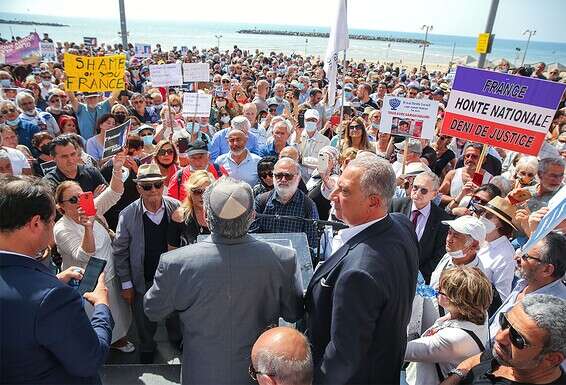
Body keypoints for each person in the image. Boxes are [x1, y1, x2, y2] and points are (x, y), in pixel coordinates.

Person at [144, 177, 303, 385]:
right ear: (252, 215)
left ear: (208, 218)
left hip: (201, 374)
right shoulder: (284, 259)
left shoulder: (174, 263)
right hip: (257, 374)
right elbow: (294, 312)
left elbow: (153, 309)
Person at [305, 154, 419, 384]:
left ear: (374, 202)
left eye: (345, 191)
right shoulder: (402, 224)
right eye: (337, 186)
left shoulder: (358, 274)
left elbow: (343, 357)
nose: (333, 196)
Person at [0, 175, 113, 384]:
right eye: (52, 220)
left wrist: (55, 279)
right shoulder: (53, 297)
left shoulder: (48, 289)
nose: (54, 227)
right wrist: (101, 307)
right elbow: (90, 359)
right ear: (35, 223)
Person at [53, 152, 134, 353]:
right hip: (87, 284)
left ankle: (119, 340)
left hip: (110, 274)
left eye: (83, 196)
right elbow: (83, 255)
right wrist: (87, 227)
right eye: (73, 199)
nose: (80, 202)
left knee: (119, 315)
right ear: (61, 206)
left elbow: (115, 193)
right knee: (93, 322)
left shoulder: (92, 209)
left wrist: (116, 168)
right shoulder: (62, 228)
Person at [113, 163, 181, 363]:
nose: (153, 190)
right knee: (143, 317)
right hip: (142, 275)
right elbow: (120, 251)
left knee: (175, 313)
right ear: (138, 188)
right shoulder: (127, 214)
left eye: (158, 185)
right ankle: (147, 345)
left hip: (171, 276)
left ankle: (177, 340)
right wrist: (126, 283)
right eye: (147, 186)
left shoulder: (176, 207)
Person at [442, 295, 566, 385]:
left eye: (518, 338)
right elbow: (478, 359)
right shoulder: (507, 355)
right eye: (505, 322)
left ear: (552, 358)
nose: (500, 337)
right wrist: (456, 376)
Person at [405, 266, 493, 385]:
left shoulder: (452, 339)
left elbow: (401, 351)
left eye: (441, 290)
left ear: (457, 301)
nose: (436, 289)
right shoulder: (480, 313)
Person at [487, 232, 566, 345]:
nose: (516, 258)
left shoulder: (555, 312)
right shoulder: (525, 282)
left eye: (525, 256)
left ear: (547, 270)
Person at [390, 170, 452, 283]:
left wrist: (416, 277)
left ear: (434, 194)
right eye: (415, 187)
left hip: (418, 281)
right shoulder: (395, 206)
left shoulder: (443, 220)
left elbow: (438, 255)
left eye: (423, 190)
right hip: (390, 270)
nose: (417, 193)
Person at [253, 157, 319, 256]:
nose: (283, 180)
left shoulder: (308, 205)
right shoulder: (261, 201)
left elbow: (312, 244)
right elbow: (253, 236)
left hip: (293, 262)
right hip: (265, 259)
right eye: (278, 175)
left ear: (298, 178)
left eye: (288, 176)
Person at [475, 197, 517, 309]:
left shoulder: (506, 256)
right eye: (482, 212)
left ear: (500, 224)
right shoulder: (479, 239)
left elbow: (502, 298)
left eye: (488, 215)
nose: (482, 217)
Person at [43, 134, 107, 193]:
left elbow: (109, 198)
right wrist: (92, 200)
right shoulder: (49, 183)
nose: (70, 160)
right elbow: (54, 205)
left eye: (73, 154)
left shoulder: (92, 171)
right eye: (64, 156)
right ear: (53, 158)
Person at [167, 170, 213, 249]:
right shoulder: (179, 216)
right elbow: (172, 250)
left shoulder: (221, 215)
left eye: (207, 191)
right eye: (197, 191)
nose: (202, 196)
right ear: (189, 192)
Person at [293, 109, 330, 178]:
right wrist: (297, 137)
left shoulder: (325, 140)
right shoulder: (296, 135)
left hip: (316, 178)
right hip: (298, 176)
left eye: (313, 120)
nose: (310, 122)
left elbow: (323, 163)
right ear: (304, 121)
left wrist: (303, 160)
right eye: (308, 120)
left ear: (318, 122)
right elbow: (293, 156)